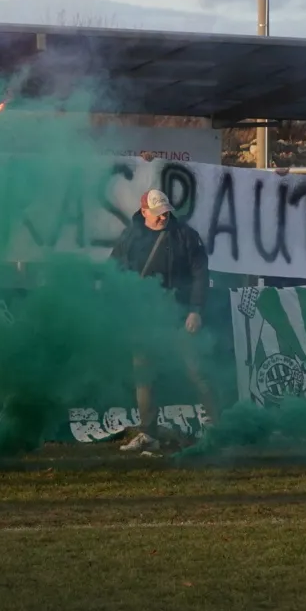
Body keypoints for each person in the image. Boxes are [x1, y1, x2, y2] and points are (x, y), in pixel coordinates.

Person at [109, 188, 219, 452]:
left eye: (166, 212)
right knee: (144, 376)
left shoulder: (185, 236)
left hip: (179, 315)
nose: (163, 217)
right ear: (144, 212)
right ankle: (148, 434)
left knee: (197, 371)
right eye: (157, 213)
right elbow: (113, 270)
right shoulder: (130, 237)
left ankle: (218, 430)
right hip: (144, 318)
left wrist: (195, 309)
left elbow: (200, 274)